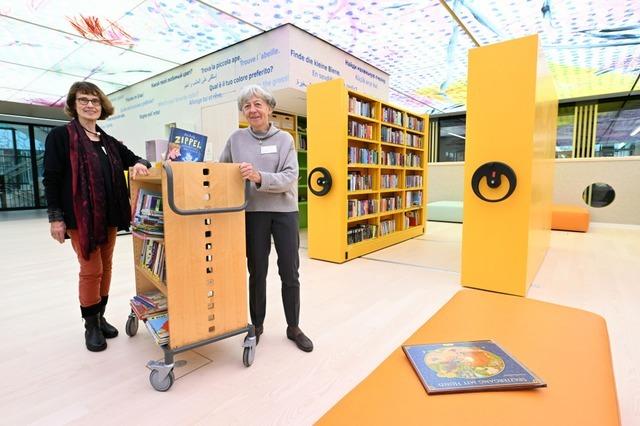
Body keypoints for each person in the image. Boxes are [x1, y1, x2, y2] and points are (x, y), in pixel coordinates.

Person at [43, 81, 151, 352]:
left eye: (94, 100)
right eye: (83, 100)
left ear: (102, 106)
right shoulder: (60, 137)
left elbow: (137, 159)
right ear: (74, 105)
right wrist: (56, 218)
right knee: (91, 270)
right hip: (80, 217)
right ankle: (90, 325)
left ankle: (100, 317)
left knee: (107, 266)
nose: (90, 105)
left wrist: (139, 164)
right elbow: (52, 179)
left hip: (110, 215)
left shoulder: (109, 142)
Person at [219, 84, 313, 352]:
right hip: (253, 214)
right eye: (247, 105)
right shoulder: (235, 139)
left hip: (285, 213)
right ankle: (256, 326)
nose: (252, 110)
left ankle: (293, 327)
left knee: (290, 273)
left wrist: (260, 177)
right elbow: (221, 171)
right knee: (256, 272)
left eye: (258, 104)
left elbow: (290, 177)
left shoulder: (285, 139)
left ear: (270, 109)